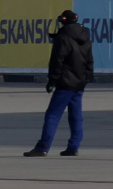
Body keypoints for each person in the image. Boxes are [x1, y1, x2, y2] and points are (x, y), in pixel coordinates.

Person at [26, 8, 93, 157]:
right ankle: (73, 146)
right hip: (79, 83)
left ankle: (43, 146)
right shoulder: (85, 36)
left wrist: (52, 81)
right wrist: (86, 78)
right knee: (75, 116)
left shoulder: (63, 37)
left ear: (63, 21)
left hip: (65, 83)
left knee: (52, 115)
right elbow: (89, 61)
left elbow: (57, 61)